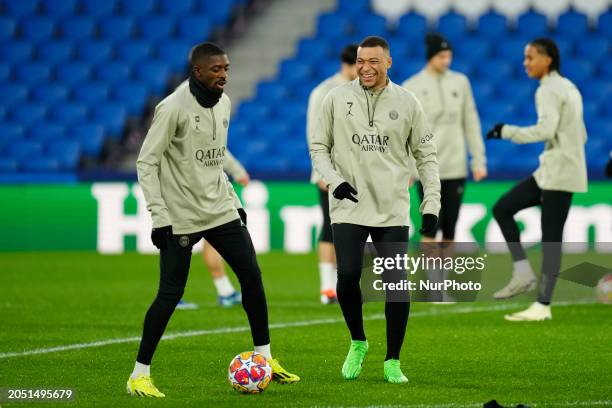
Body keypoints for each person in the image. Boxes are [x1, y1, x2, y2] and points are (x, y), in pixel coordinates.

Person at [128, 42, 299, 397]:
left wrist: (234, 202)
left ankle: (265, 358)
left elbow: (216, 158)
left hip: (220, 209)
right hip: (181, 218)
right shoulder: (172, 108)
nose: (224, 75)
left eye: (227, 69)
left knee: (252, 276)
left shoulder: (224, 103)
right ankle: (139, 375)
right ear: (198, 72)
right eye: (217, 70)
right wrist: (159, 217)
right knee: (170, 294)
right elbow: (146, 162)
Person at [310, 36, 440, 383]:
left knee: (396, 284)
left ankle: (393, 360)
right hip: (347, 204)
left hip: (392, 208)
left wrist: (431, 205)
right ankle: (358, 342)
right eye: (360, 61)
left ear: (388, 63)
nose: (365, 67)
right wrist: (333, 180)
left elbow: (426, 157)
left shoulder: (408, 102)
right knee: (348, 275)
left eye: (373, 61)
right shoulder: (335, 99)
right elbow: (319, 147)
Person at [486, 38, 588, 321]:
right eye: (525, 57)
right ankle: (523, 273)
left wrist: (506, 131)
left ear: (548, 59)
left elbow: (545, 130)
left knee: (550, 238)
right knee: (504, 208)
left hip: (559, 173)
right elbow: (581, 133)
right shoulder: (569, 87)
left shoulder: (548, 90)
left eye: (530, 57)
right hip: (555, 170)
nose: (525, 63)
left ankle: (542, 305)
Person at [402, 33, 486, 302]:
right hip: (426, 168)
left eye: (449, 56)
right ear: (430, 57)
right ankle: (433, 285)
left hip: (456, 166)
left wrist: (478, 159)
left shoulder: (460, 82)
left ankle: (442, 284)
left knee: (450, 227)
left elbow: (470, 121)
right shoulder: (411, 86)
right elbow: (403, 130)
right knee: (430, 226)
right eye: (442, 56)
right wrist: (406, 168)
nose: (447, 60)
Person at [306, 43, 358, 305]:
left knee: (353, 229)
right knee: (330, 227)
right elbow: (315, 136)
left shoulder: (362, 89)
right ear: (348, 65)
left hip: (357, 172)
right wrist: (322, 173)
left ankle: (345, 285)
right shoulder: (324, 92)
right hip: (330, 173)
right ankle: (327, 288)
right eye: (358, 66)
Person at [176, 152, 250, 310]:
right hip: (190, 186)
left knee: (210, 236)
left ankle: (225, 291)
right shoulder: (197, 128)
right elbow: (215, 150)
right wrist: (237, 171)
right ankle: (172, 295)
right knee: (182, 239)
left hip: (191, 184)